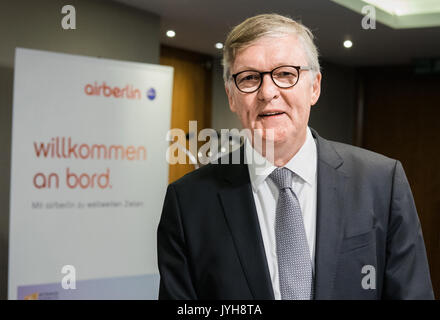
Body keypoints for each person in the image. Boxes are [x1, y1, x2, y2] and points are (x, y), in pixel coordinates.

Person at [157, 13, 434, 299]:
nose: (267, 92)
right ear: (231, 96)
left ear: (314, 87)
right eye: (250, 78)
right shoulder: (188, 202)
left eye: (285, 74)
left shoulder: (381, 183)